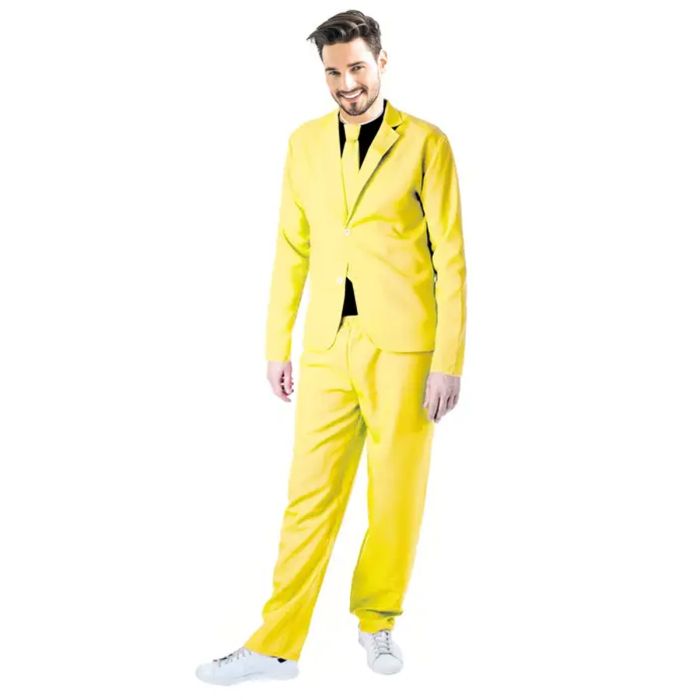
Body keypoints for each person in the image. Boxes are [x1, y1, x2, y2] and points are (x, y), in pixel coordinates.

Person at [196, 9, 466, 685]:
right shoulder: (304, 144)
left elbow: (451, 260)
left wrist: (448, 360)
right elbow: (292, 247)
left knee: (396, 495)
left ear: (382, 63)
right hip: (326, 346)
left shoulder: (426, 143)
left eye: (358, 68)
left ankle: (378, 619)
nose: (347, 84)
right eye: (334, 72)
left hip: (405, 349)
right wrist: (276, 343)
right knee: (307, 498)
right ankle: (275, 645)